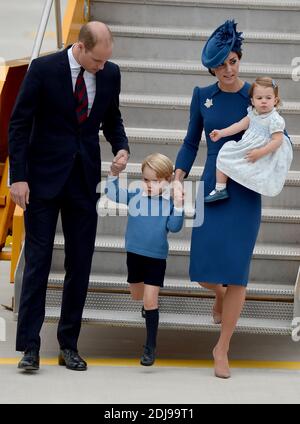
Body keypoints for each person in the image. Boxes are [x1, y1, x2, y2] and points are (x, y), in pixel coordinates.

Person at [9, 21, 130, 372]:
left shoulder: (110, 74)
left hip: (83, 181)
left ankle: (69, 345)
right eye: (97, 61)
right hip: (42, 181)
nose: (102, 67)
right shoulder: (44, 69)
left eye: (106, 61)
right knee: (38, 262)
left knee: (80, 264)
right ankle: (30, 347)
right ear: (80, 47)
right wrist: (19, 177)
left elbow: (112, 119)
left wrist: (120, 148)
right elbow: (18, 125)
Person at [174, 20, 265, 378]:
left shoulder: (255, 95)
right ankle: (219, 293)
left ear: (239, 59)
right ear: (211, 66)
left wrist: (266, 155)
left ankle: (222, 347)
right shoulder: (202, 95)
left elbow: (280, 134)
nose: (229, 69)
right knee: (201, 270)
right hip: (213, 183)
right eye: (222, 64)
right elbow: (190, 141)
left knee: (238, 272)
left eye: (234, 61)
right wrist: (179, 175)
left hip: (246, 186)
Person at [106, 153, 184, 366]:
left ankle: (150, 347)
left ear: (167, 181)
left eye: (156, 181)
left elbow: (174, 227)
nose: (150, 185)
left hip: (156, 257)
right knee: (137, 295)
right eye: (146, 180)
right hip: (134, 253)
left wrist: (178, 205)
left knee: (151, 301)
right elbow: (112, 193)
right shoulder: (135, 195)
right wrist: (113, 173)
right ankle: (147, 307)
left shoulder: (168, 203)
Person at [204, 76, 293, 202]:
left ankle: (248, 185)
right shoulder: (252, 113)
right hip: (247, 146)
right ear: (252, 100)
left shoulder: (275, 119)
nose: (263, 101)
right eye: (259, 98)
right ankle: (220, 188)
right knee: (225, 152)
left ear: (275, 100)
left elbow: (277, 141)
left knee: (254, 169)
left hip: (263, 152)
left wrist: (260, 152)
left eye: (268, 98)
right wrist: (221, 133)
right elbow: (239, 125)